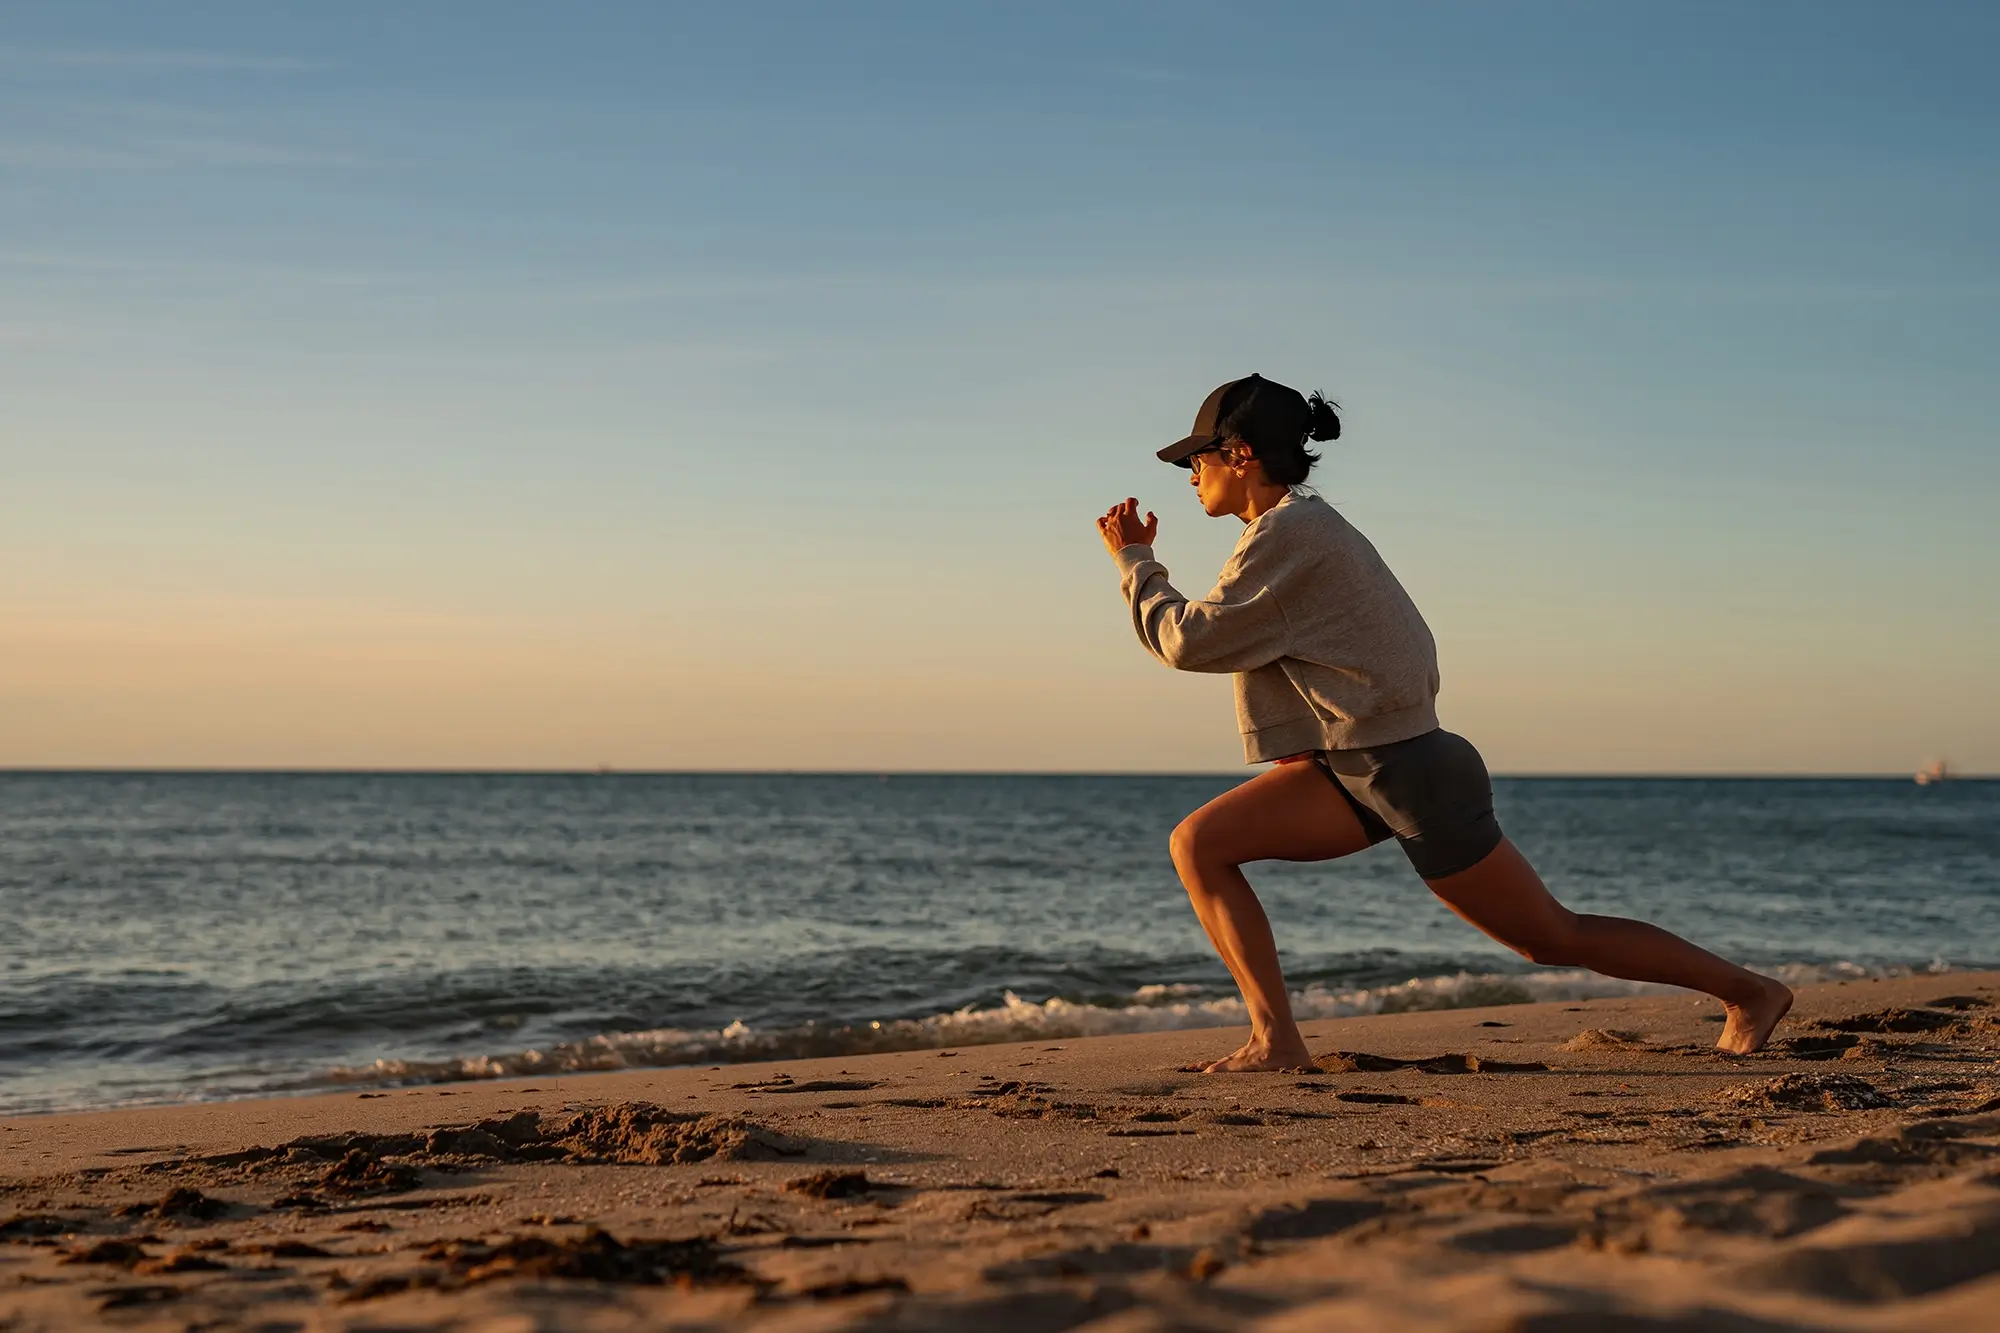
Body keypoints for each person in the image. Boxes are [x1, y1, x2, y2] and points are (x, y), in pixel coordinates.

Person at [1096, 373, 1793, 1072]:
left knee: (1551, 936)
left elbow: (1191, 641)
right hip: (1357, 767)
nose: (1191, 476)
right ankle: (1275, 1039)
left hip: (1407, 773)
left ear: (1240, 454)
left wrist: (1136, 562)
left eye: (1198, 459)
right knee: (1200, 844)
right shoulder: (1296, 530)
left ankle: (1750, 991)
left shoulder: (1290, 535)